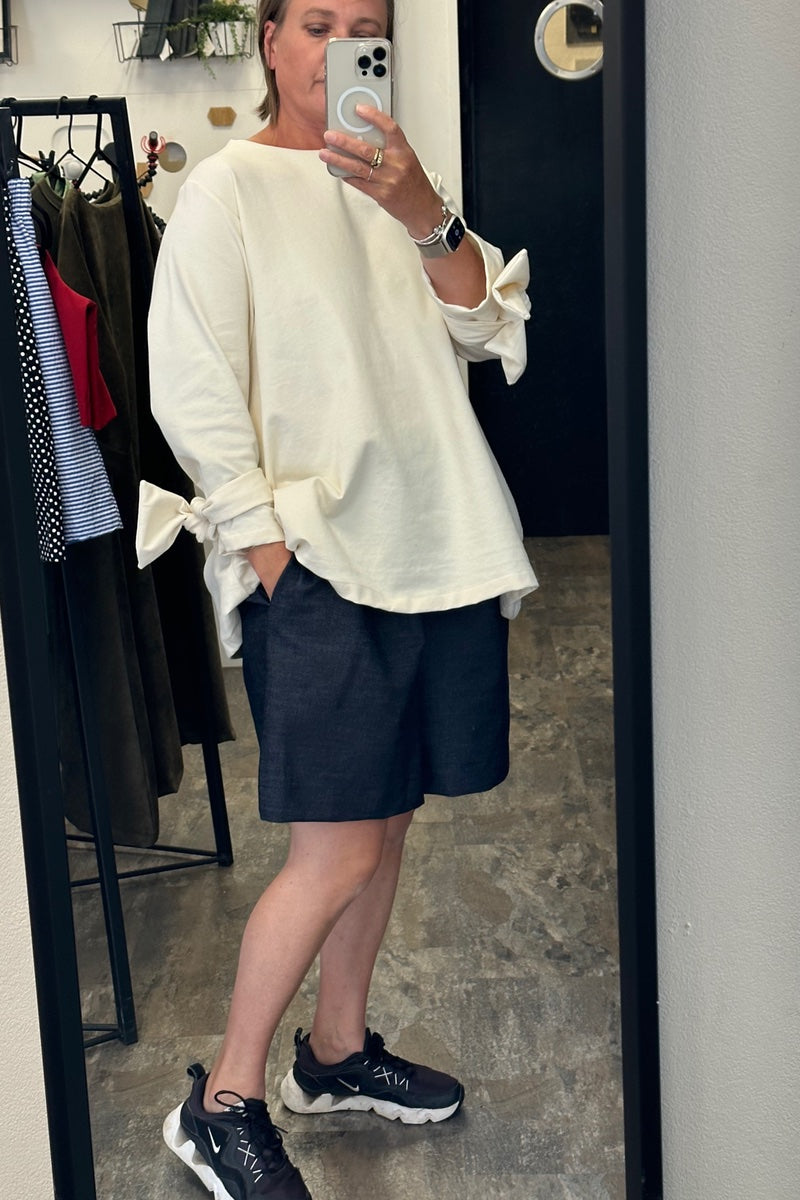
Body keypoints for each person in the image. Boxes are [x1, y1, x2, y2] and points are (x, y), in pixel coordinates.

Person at [136, 0, 537, 1196]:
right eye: (316, 22)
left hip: (439, 545)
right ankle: (222, 1100)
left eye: (365, 26)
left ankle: (335, 1052)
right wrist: (267, 555)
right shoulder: (224, 191)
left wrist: (421, 211)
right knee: (336, 846)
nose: (341, 45)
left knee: (390, 819)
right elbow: (192, 389)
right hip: (316, 560)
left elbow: (485, 324)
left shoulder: (405, 179)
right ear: (270, 41)